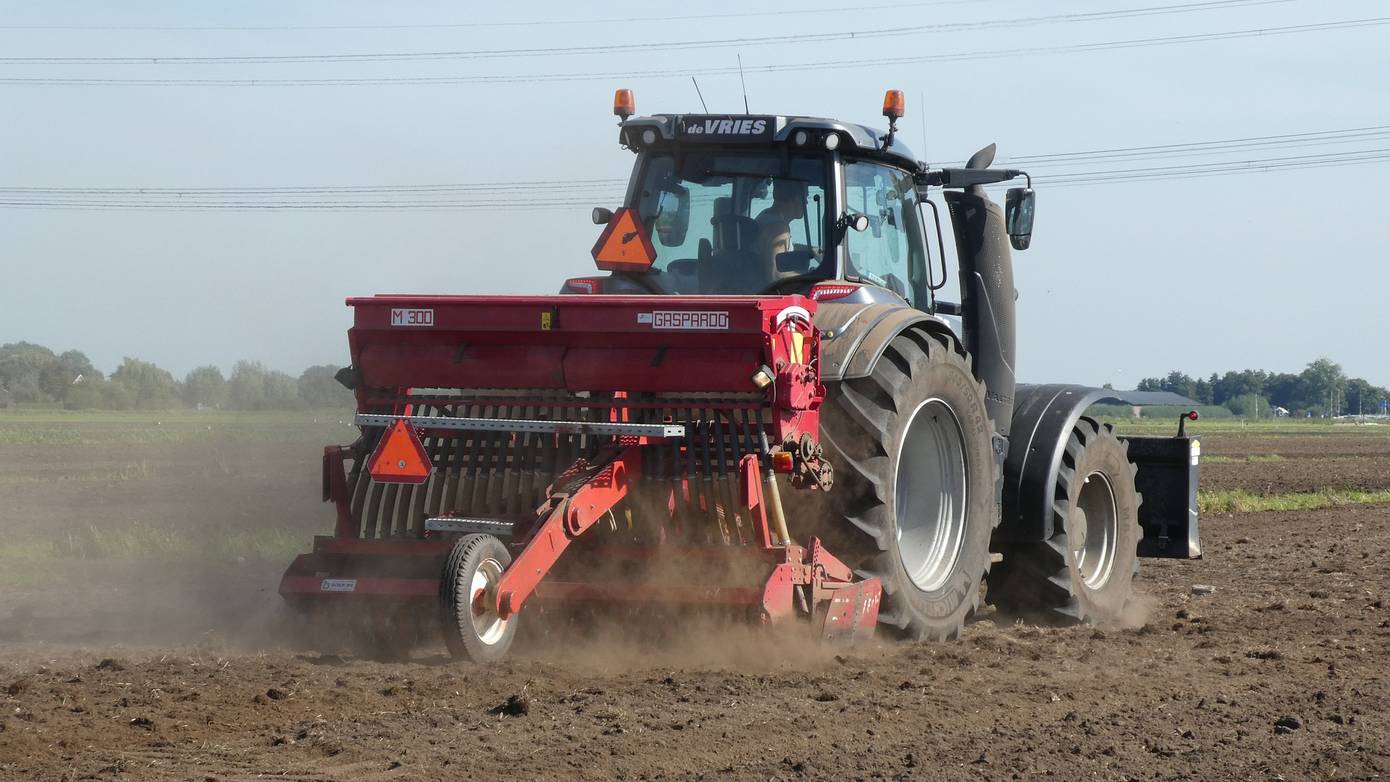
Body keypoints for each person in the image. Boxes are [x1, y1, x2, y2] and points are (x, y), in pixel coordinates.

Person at [754, 179, 807, 279]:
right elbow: (775, 275)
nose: (807, 202)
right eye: (805, 197)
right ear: (795, 199)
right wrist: (811, 276)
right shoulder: (778, 230)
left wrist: (810, 250)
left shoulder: (766, 216)